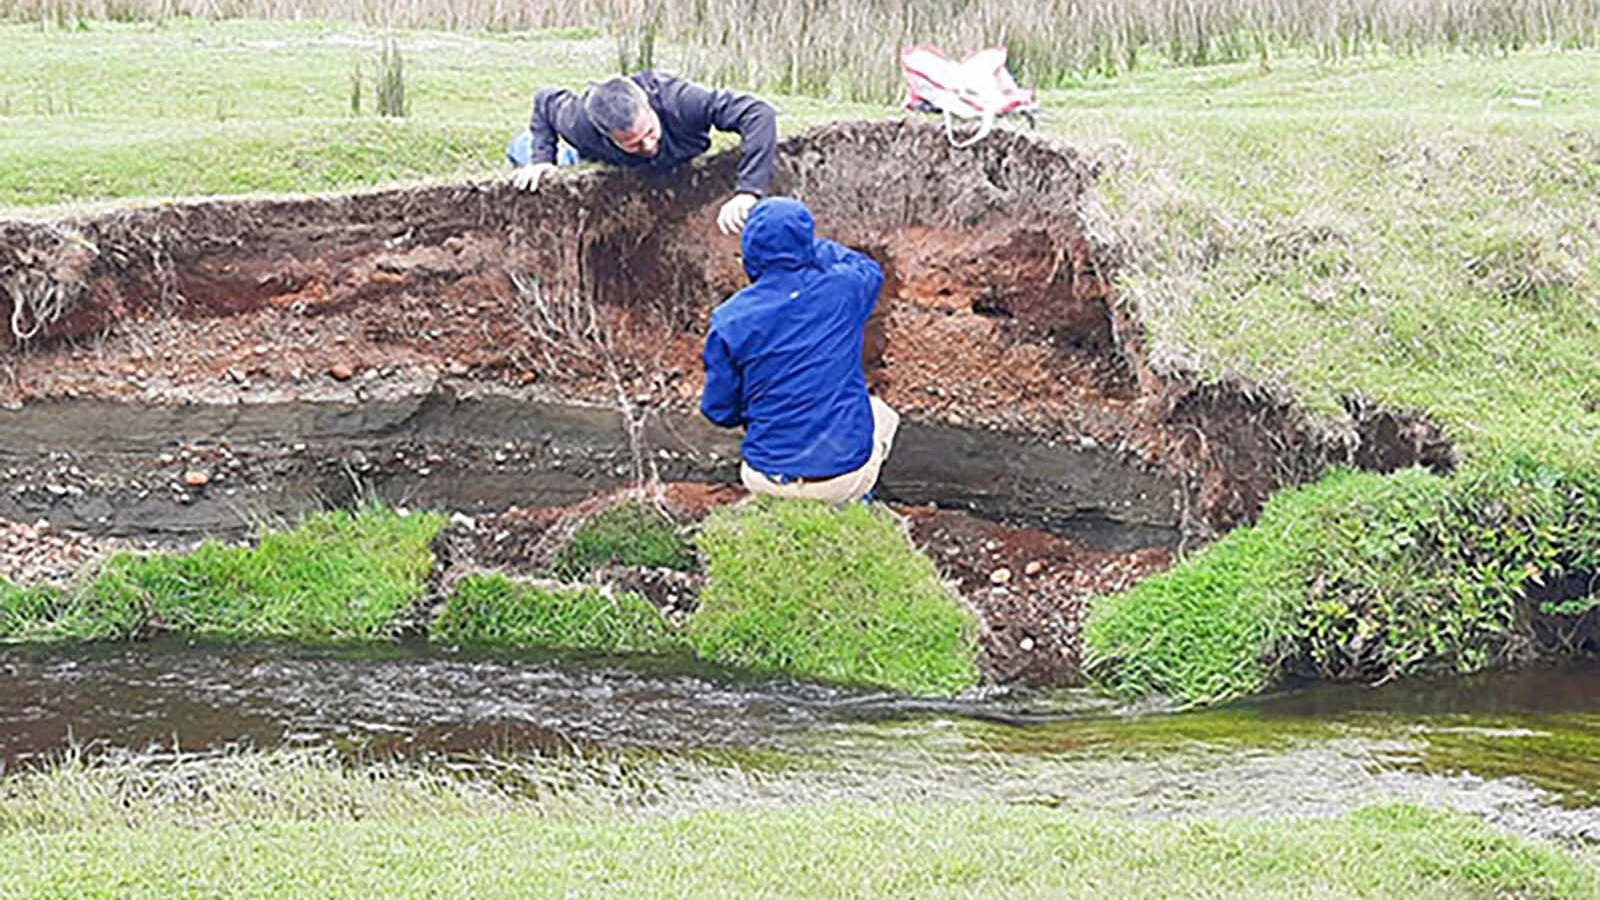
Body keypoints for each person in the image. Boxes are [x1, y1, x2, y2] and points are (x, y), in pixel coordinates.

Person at [699, 197, 900, 505]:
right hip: (839, 480)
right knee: (882, 415)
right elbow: (866, 268)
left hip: (763, 477)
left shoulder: (729, 318)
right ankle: (856, 504)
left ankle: (786, 498)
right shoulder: (842, 290)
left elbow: (719, 411)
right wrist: (805, 248)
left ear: (748, 251)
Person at [507, 72, 777, 235]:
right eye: (634, 142)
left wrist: (748, 190)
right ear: (608, 135)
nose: (648, 146)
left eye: (649, 132)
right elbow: (545, 99)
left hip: (675, 155)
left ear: (649, 108)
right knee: (528, 150)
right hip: (597, 157)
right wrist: (542, 160)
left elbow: (757, 113)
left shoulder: (681, 102)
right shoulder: (579, 123)